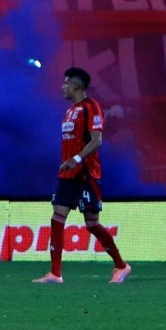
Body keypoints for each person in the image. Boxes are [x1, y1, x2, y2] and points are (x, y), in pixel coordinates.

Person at [32, 67, 131, 285]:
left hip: (86, 173)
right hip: (67, 174)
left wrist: (76, 159)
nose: (63, 87)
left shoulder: (91, 107)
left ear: (76, 86)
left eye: (66, 83)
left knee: (92, 224)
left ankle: (121, 266)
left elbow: (97, 140)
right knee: (57, 218)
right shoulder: (69, 111)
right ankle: (55, 274)